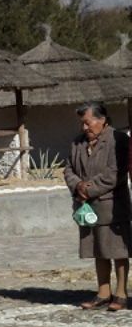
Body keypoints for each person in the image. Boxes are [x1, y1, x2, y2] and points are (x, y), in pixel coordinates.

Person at [63, 102, 130, 311]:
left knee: (118, 250)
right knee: (98, 249)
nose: (84, 128)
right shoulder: (77, 143)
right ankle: (103, 293)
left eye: (87, 123)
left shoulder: (117, 140)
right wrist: (78, 186)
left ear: (102, 120)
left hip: (112, 205)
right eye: (81, 124)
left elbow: (115, 173)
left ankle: (121, 294)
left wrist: (89, 188)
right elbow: (68, 169)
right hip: (87, 207)